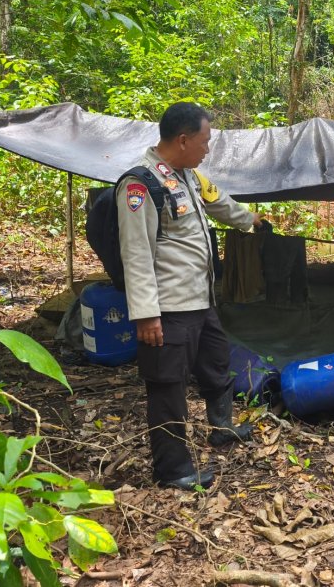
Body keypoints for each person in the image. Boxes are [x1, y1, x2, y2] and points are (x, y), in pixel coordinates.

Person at [117, 102, 261, 490]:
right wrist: (146, 315)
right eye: (204, 141)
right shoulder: (139, 185)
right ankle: (173, 469)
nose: (207, 148)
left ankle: (222, 428)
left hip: (200, 301)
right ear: (182, 139)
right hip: (168, 309)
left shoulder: (187, 176)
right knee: (167, 387)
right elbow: (136, 253)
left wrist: (250, 220)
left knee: (215, 365)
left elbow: (218, 202)